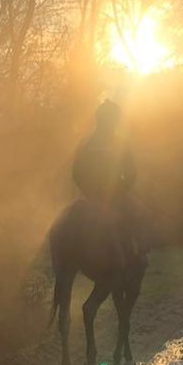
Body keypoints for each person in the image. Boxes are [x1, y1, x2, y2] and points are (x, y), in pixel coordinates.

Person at [72, 99, 143, 257]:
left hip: (88, 196)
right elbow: (131, 172)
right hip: (114, 197)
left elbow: (76, 173)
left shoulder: (85, 143)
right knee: (137, 213)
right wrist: (120, 191)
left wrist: (89, 193)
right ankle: (138, 255)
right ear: (114, 120)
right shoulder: (120, 143)